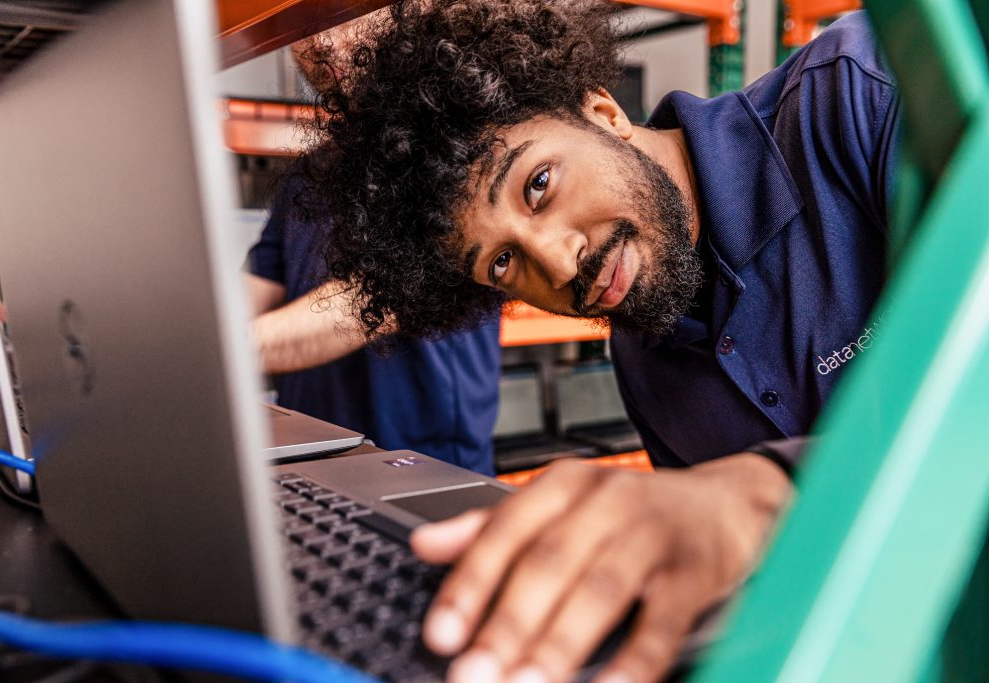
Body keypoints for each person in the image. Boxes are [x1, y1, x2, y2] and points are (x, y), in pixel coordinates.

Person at [302, 1, 901, 682]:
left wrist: (755, 496)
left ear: (603, 112)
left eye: (539, 185)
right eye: (502, 263)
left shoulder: (866, 94)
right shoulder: (642, 359)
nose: (557, 266)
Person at [244, 18, 501, 476]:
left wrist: (216, 355)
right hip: (308, 461)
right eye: (300, 24)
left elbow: (373, 302)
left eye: (341, 13)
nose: (319, 40)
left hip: (420, 471)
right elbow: (259, 283)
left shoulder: (451, 150)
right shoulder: (308, 174)